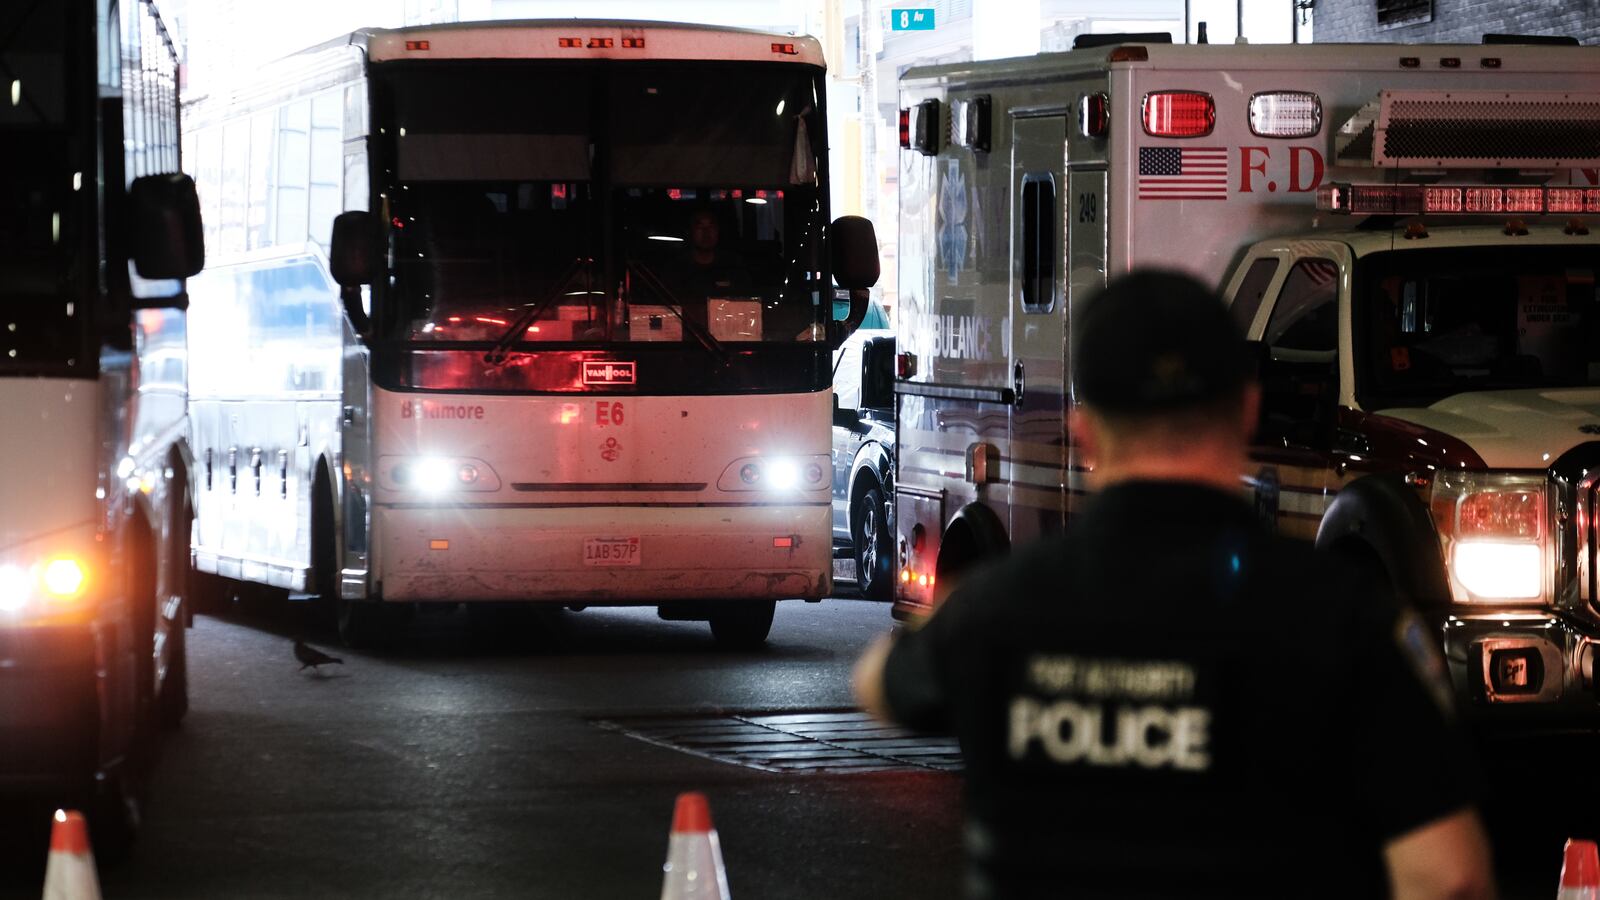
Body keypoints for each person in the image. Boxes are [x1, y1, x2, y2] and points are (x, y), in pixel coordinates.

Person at [853, 270, 1494, 899]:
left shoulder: (994, 611)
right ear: (1247, 409)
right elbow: (1447, 877)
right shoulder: (1351, 622)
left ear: (1083, 434)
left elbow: (880, 685)